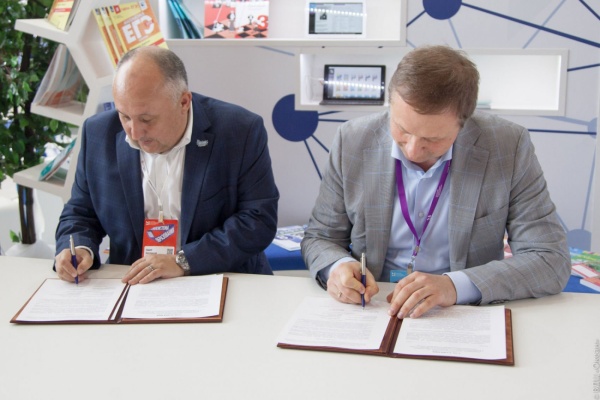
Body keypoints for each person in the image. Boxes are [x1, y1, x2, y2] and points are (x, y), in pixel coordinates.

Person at [301, 45, 571, 319]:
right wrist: (337, 266)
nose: (412, 150)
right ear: (390, 104)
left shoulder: (507, 147)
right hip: (374, 306)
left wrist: (454, 286)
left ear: (464, 123)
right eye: (402, 130)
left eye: (432, 139)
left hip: (458, 312)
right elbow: (320, 237)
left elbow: (550, 260)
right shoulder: (352, 140)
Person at [55, 46, 279, 284]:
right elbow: (81, 211)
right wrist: (78, 247)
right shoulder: (98, 134)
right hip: (135, 282)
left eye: (146, 119)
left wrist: (184, 261)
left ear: (183, 102)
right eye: (125, 116)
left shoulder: (239, 131)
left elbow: (257, 220)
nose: (134, 133)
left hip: (223, 277)